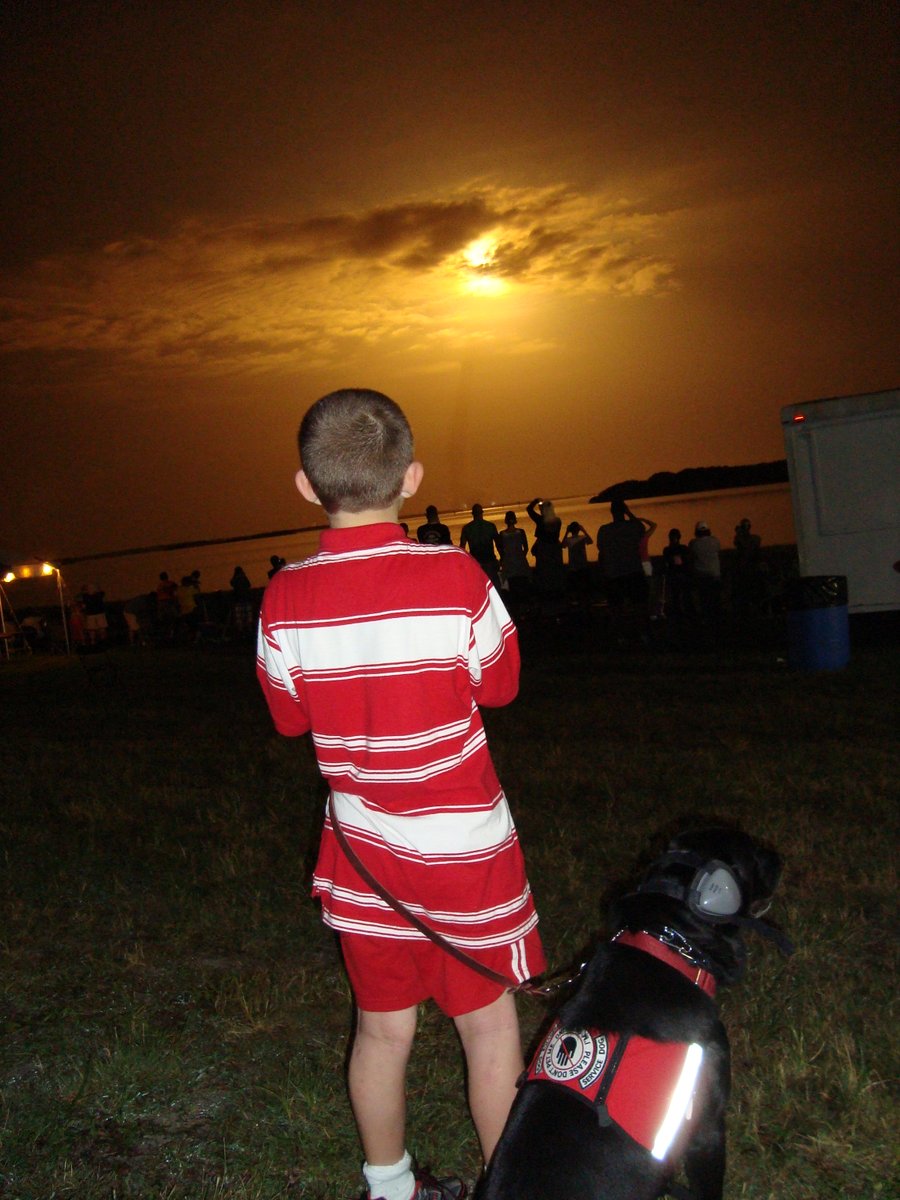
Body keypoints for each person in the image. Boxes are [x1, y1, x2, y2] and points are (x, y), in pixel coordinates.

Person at [257, 389, 545, 1200]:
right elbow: (502, 685)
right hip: (468, 860)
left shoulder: (285, 599)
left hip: (363, 864)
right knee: (489, 1029)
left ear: (308, 487)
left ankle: (390, 1190)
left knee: (382, 1033)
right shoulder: (456, 577)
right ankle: (506, 1186)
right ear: (411, 476)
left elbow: (288, 717)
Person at [594, 499, 650, 637]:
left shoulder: (604, 530)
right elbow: (641, 529)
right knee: (638, 607)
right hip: (633, 571)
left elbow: (601, 551)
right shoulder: (633, 527)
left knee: (616, 609)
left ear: (611, 511)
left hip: (614, 574)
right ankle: (642, 635)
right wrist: (629, 513)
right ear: (624, 510)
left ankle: (620, 637)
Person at [526, 498, 565, 602]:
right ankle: (557, 596)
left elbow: (529, 509)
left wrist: (535, 501)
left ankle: (546, 596)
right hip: (555, 550)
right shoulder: (558, 521)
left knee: (544, 574)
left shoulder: (540, 520)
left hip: (544, 550)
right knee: (555, 573)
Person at [459, 503, 502, 589]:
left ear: (472, 514)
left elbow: (462, 548)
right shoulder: (490, 526)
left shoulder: (467, 528)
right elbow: (498, 544)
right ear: (482, 513)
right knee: (495, 588)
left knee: (478, 588)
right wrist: (501, 559)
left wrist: (463, 564)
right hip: (490, 561)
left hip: (476, 563)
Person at [689, 520, 722, 618]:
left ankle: (706, 617)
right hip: (714, 574)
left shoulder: (693, 543)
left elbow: (691, 557)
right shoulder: (715, 541)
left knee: (703, 599)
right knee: (715, 599)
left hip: (701, 575)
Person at [497, 511, 531, 604]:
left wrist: (504, 559)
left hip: (509, 565)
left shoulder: (502, 534)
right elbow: (526, 547)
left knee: (512, 588)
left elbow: (500, 550)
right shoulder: (520, 532)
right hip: (520, 563)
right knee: (523, 586)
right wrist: (521, 556)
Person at [660, 528, 692, 619]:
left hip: (677, 574)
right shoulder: (682, 548)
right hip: (679, 574)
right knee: (680, 595)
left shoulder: (668, 550)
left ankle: (680, 613)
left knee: (678, 596)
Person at [562, 521, 593, 600]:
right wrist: (583, 530)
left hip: (573, 567)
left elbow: (562, 545)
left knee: (575, 588)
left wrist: (566, 532)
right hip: (582, 566)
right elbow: (590, 541)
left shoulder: (569, 540)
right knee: (583, 587)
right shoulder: (582, 538)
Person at [230, 565, 254, 633]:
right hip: (246, 600)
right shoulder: (244, 578)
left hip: (238, 600)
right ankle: (249, 630)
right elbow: (249, 585)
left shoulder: (235, 579)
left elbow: (231, 583)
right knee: (248, 616)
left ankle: (241, 631)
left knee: (239, 617)